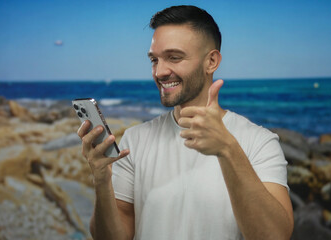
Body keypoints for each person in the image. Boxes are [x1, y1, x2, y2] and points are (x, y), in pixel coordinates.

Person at [77, 5, 293, 240]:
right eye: (154, 60)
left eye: (174, 58)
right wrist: (101, 179)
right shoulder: (135, 141)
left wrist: (227, 150)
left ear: (211, 61)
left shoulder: (259, 142)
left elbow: (275, 236)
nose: (159, 72)